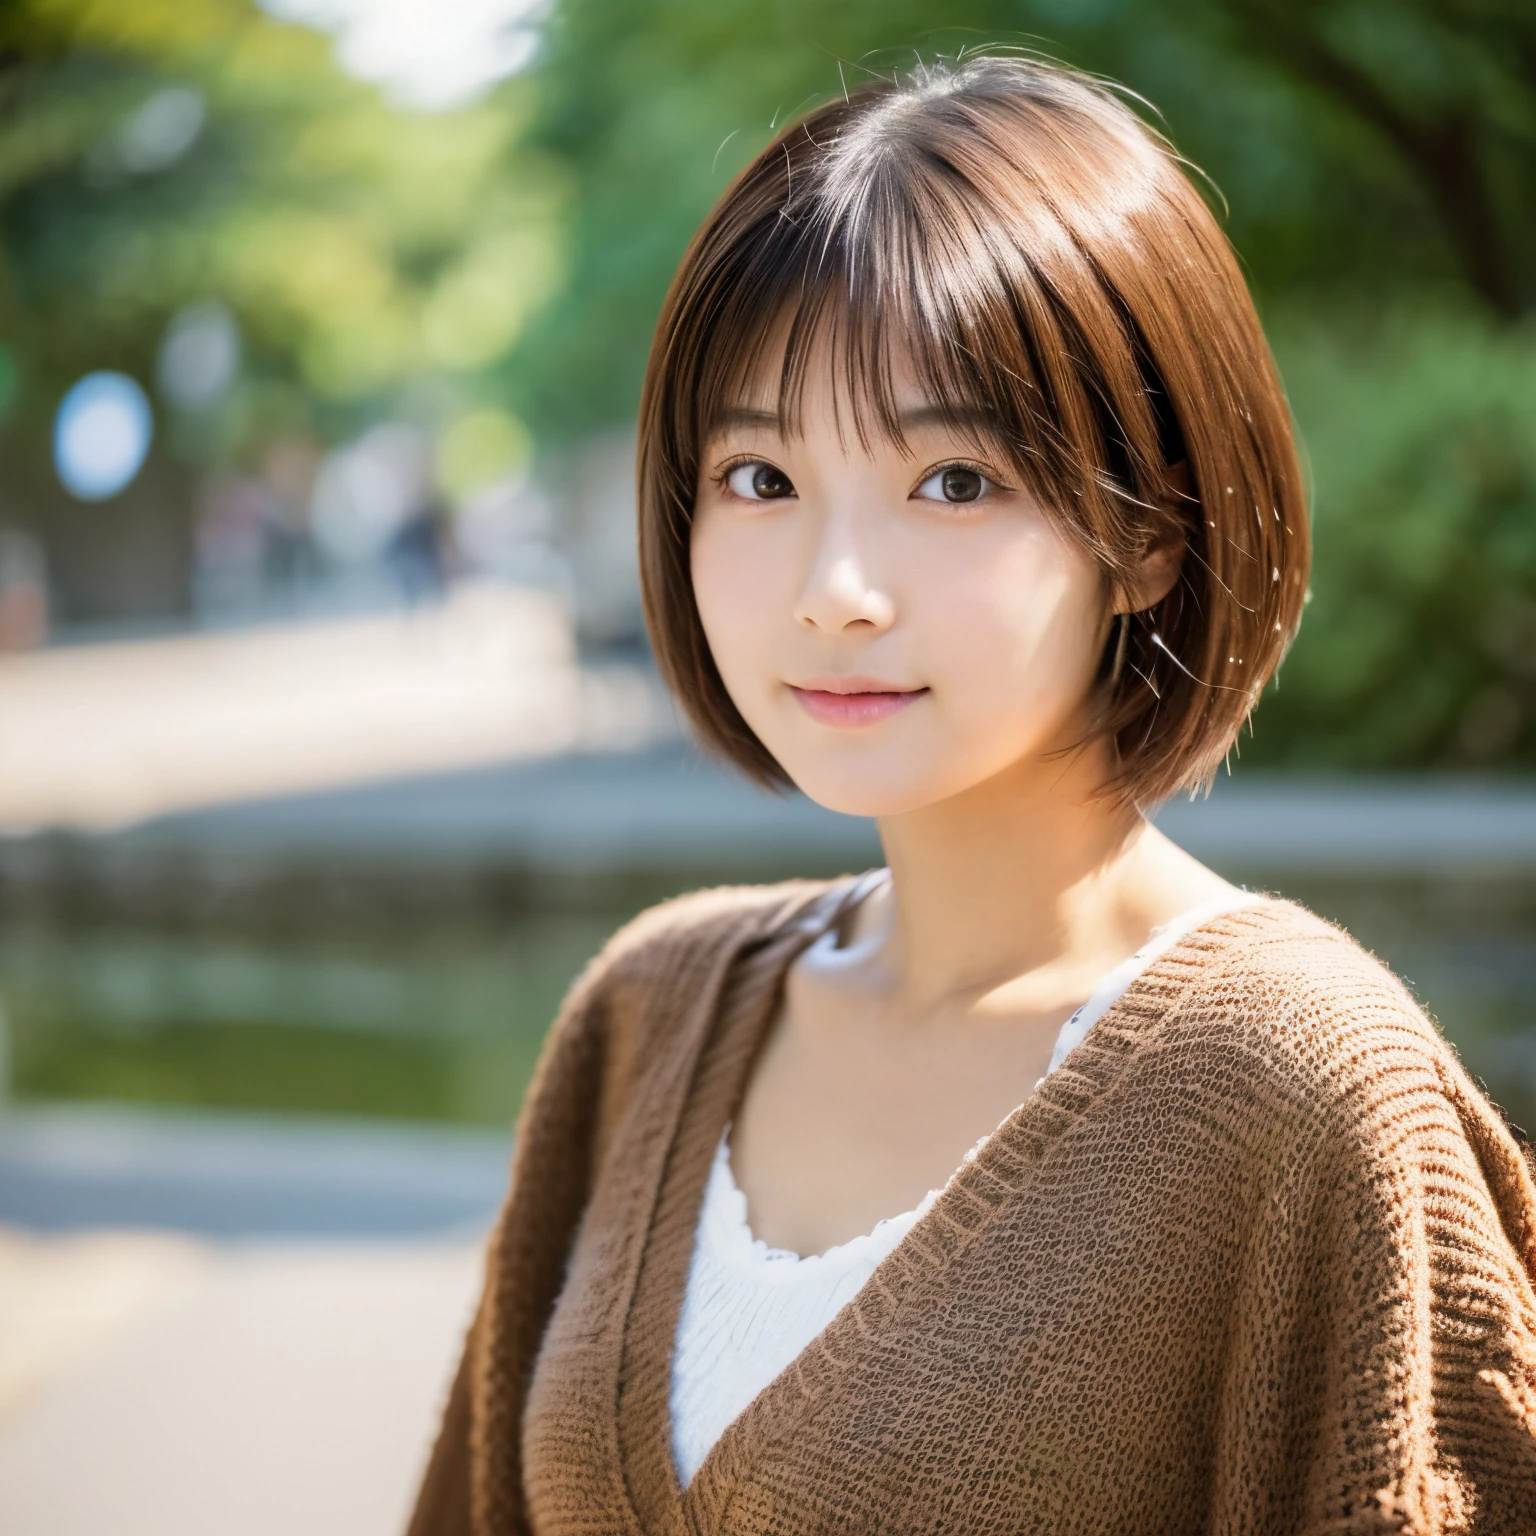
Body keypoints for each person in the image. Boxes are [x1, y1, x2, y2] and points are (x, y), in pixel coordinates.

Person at [409, 55, 1536, 1534]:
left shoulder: (1300, 1087)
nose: (837, 592)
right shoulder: (648, 1013)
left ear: (1150, 538)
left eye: (954, 480)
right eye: (760, 476)